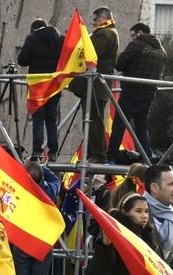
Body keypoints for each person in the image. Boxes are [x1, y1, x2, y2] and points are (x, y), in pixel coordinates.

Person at [6, 159, 60, 275]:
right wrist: (41, 166)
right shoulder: (49, 191)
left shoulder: (19, 193)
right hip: (42, 244)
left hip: (22, 242)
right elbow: (55, 179)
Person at [106, 22, 167, 164]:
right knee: (142, 127)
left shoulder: (137, 44)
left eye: (133, 35)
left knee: (119, 125)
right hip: (149, 93)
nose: (132, 38)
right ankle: (147, 157)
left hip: (131, 91)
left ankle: (111, 158)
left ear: (139, 33)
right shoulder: (162, 51)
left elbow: (119, 64)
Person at [67, 6, 119, 164]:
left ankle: (98, 154)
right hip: (95, 86)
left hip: (96, 85)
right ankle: (93, 153)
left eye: (95, 19)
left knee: (93, 121)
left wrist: (79, 43)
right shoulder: (107, 33)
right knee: (90, 120)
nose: (93, 23)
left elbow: (91, 52)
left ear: (103, 18)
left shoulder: (105, 33)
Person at [17, 18, 64, 160]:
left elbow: (22, 61)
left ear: (33, 29)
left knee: (38, 119)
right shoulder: (61, 39)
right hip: (54, 85)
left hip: (37, 85)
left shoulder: (32, 38)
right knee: (52, 120)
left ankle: (37, 152)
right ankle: (53, 152)